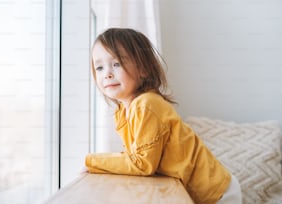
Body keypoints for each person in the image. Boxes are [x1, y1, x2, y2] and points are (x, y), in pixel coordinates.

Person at [85, 27, 242, 204]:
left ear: (143, 69)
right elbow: (140, 157)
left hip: (217, 193)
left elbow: (142, 164)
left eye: (117, 64)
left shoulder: (147, 105)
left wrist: (92, 161)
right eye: (99, 67)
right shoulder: (123, 112)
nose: (107, 73)